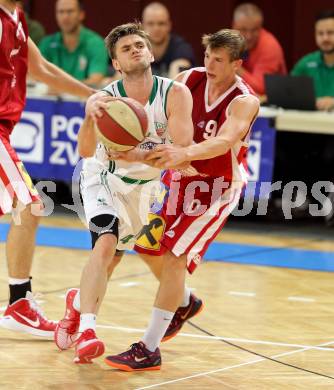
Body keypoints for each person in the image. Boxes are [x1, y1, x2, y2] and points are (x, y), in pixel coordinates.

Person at [104, 28, 260, 371]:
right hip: (181, 176)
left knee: (175, 255)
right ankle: (185, 301)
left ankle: (148, 348)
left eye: (218, 60)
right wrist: (135, 150)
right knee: (146, 244)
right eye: (207, 56)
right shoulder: (189, 79)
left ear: (237, 63)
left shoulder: (244, 100)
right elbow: (159, 120)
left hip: (216, 187)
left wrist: (184, 152)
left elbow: (224, 140)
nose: (210, 65)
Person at [54, 22, 194, 364]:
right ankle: (87, 331)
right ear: (116, 64)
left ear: (150, 51)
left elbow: (181, 150)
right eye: (125, 48)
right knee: (104, 243)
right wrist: (89, 117)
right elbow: (86, 152)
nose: (134, 49)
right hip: (103, 176)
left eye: (139, 45)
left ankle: (76, 302)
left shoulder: (175, 93)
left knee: (112, 260)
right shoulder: (105, 98)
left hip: (145, 187)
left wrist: (138, 155)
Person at [0, 0, 94, 338]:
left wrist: (92, 95)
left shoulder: (17, 18)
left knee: (26, 208)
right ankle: (19, 303)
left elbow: (43, 70)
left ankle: (19, 304)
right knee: (30, 206)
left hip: (5, 129)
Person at [39, 0, 108, 86]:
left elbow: (96, 81)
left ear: (81, 15)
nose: (65, 17)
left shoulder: (96, 43)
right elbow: (33, 77)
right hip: (48, 98)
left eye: (70, 11)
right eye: (60, 12)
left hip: (84, 98)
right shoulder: (47, 43)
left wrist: (59, 86)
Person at [232, 2, 286, 95]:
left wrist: (233, 67)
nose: (249, 36)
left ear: (261, 27)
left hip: (271, 106)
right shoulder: (229, 40)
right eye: (243, 29)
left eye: (254, 30)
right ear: (234, 26)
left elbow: (260, 89)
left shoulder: (270, 46)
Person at [291, 9, 334, 111]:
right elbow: (288, 93)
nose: (325, 38)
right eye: (320, 33)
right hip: (308, 122)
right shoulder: (305, 63)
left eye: (330, 33)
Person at [142, 2, 196, 78]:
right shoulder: (135, 48)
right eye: (150, 24)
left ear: (169, 25)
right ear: (142, 26)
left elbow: (177, 86)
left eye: (161, 23)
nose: (156, 28)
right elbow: (121, 82)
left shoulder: (181, 48)